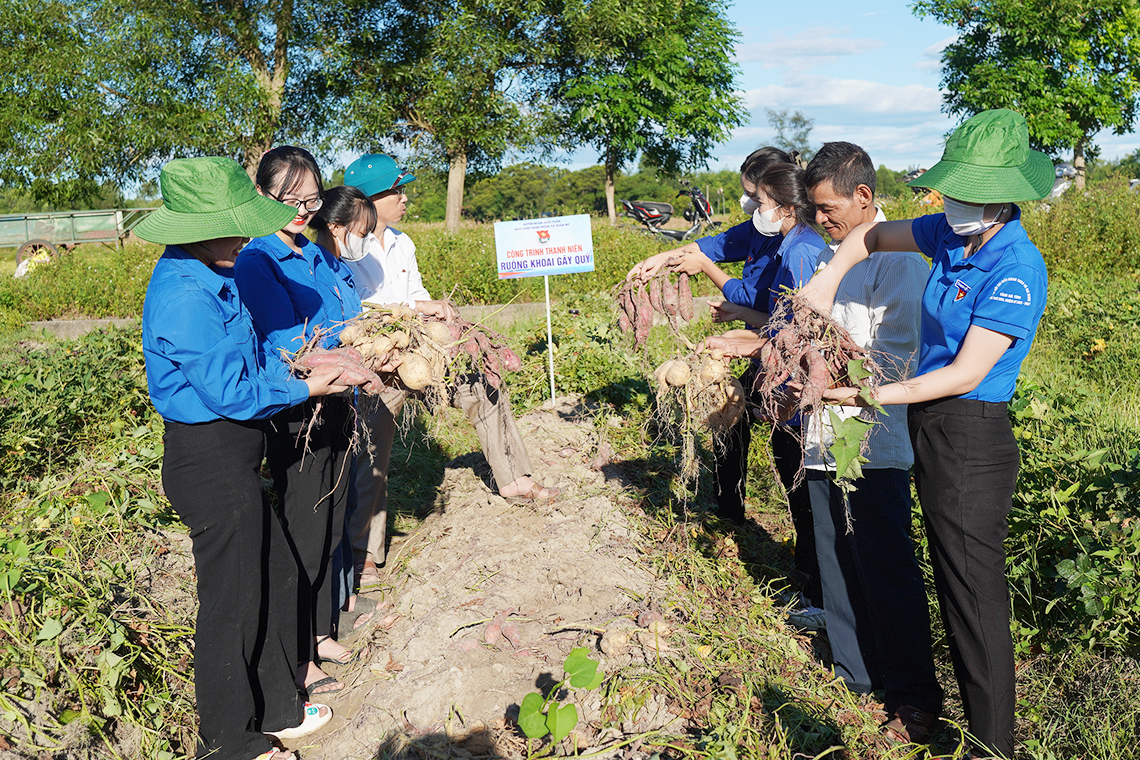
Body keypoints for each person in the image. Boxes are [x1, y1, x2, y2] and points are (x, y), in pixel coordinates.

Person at [799, 109, 1053, 758]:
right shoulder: (948, 233)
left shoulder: (1017, 267)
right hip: (932, 429)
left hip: (972, 436)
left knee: (973, 601)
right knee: (949, 584)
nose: (955, 200)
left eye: (969, 189)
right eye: (954, 186)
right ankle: (953, 722)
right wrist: (826, 280)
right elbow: (869, 241)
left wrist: (868, 392)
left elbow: (966, 372)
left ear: (1004, 193)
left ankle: (990, 746)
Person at [139, 157, 348, 760]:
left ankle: (279, 707)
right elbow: (230, 391)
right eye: (235, 226)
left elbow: (254, 359)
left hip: (236, 455)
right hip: (207, 459)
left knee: (278, 575)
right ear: (195, 228)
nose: (242, 237)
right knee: (232, 604)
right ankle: (228, 742)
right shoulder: (184, 295)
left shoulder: (216, 273)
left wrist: (304, 362)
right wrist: (308, 388)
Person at [337, 153, 557, 587]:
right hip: (377, 358)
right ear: (371, 198)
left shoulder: (403, 242)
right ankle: (365, 552)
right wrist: (416, 308)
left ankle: (513, 479)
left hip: (420, 352)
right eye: (397, 191)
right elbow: (353, 310)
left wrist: (441, 318)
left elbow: (416, 291)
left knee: (484, 383)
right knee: (371, 449)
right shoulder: (345, 248)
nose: (405, 198)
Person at [628, 153, 828, 620]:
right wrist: (662, 260)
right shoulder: (771, 234)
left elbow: (796, 325)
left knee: (801, 476)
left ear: (782, 201)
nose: (749, 204)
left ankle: (818, 589)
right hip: (765, 353)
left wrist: (746, 329)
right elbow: (709, 248)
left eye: (755, 197)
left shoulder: (798, 249)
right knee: (765, 450)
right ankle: (751, 525)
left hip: (789, 374)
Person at [801, 142, 942, 743]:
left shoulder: (901, 260)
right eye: (814, 210)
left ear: (864, 196)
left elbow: (896, 354)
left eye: (830, 208)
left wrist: (829, 370)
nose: (821, 220)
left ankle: (912, 698)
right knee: (834, 560)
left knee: (885, 564)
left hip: (872, 435)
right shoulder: (831, 258)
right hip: (820, 433)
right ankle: (857, 680)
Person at [234, 146, 362, 699]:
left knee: (331, 517)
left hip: (339, 396)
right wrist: (351, 342)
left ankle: (316, 630)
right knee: (304, 527)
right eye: (291, 198)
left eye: (311, 197)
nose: (303, 208)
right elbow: (288, 342)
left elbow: (350, 310)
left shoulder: (312, 252)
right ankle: (296, 657)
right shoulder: (257, 260)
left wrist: (374, 331)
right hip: (297, 407)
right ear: (263, 196)